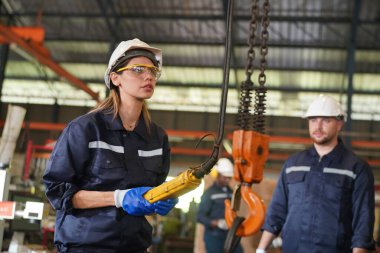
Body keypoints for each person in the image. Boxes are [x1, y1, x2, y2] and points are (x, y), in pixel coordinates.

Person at [43, 38, 178, 253]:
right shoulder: (85, 129)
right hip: (86, 246)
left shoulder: (156, 138)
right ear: (116, 78)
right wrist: (119, 198)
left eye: (153, 71)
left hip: (135, 246)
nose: (149, 76)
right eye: (138, 69)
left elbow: (151, 192)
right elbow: (58, 193)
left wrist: (162, 198)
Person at [256, 94, 375, 253]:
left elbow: (363, 222)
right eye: (313, 120)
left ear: (339, 124)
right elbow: (277, 211)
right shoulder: (293, 165)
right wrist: (261, 249)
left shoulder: (356, 168)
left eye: (326, 120)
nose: (318, 127)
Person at [197, 158, 243, 253]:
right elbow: (200, 217)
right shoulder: (209, 194)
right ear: (217, 175)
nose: (228, 180)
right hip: (214, 237)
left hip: (229, 235)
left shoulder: (231, 193)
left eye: (229, 177)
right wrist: (217, 223)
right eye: (225, 177)